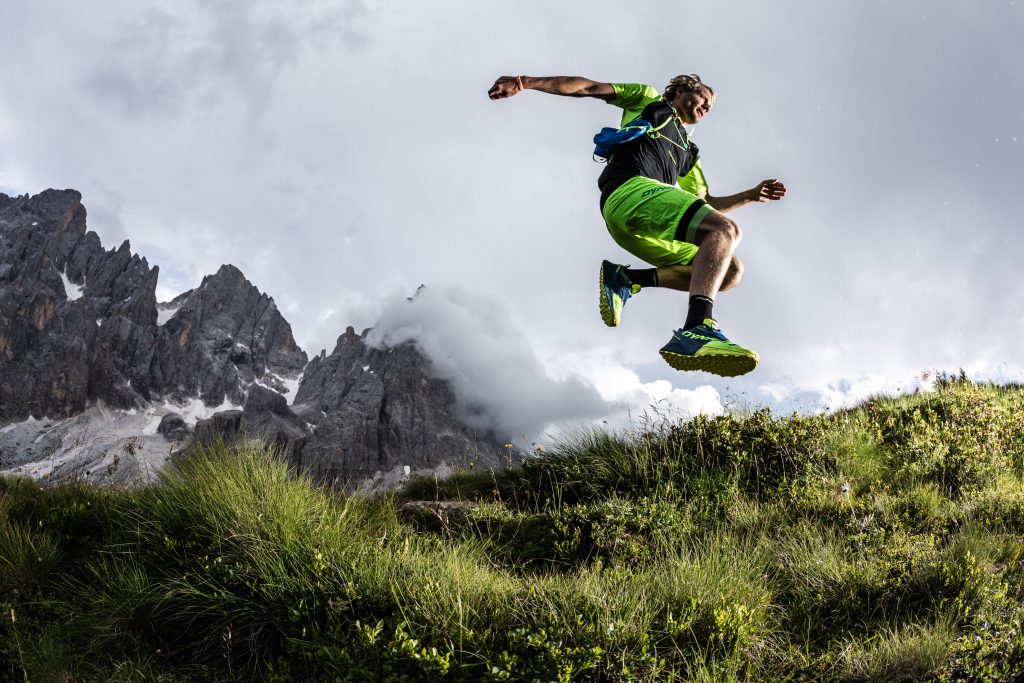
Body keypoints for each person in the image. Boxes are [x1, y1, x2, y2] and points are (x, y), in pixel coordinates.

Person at [487, 74, 786, 377]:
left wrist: (750, 195)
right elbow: (588, 88)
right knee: (726, 231)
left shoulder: (688, 152)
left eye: (711, 107)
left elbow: (707, 202)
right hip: (629, 191)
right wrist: (524, 82)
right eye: (704, 99)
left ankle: (626, 279)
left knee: (729, 271)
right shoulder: (648, 99)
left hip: (639, 225)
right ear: (682, 89)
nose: (707, 108)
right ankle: (697, 328)